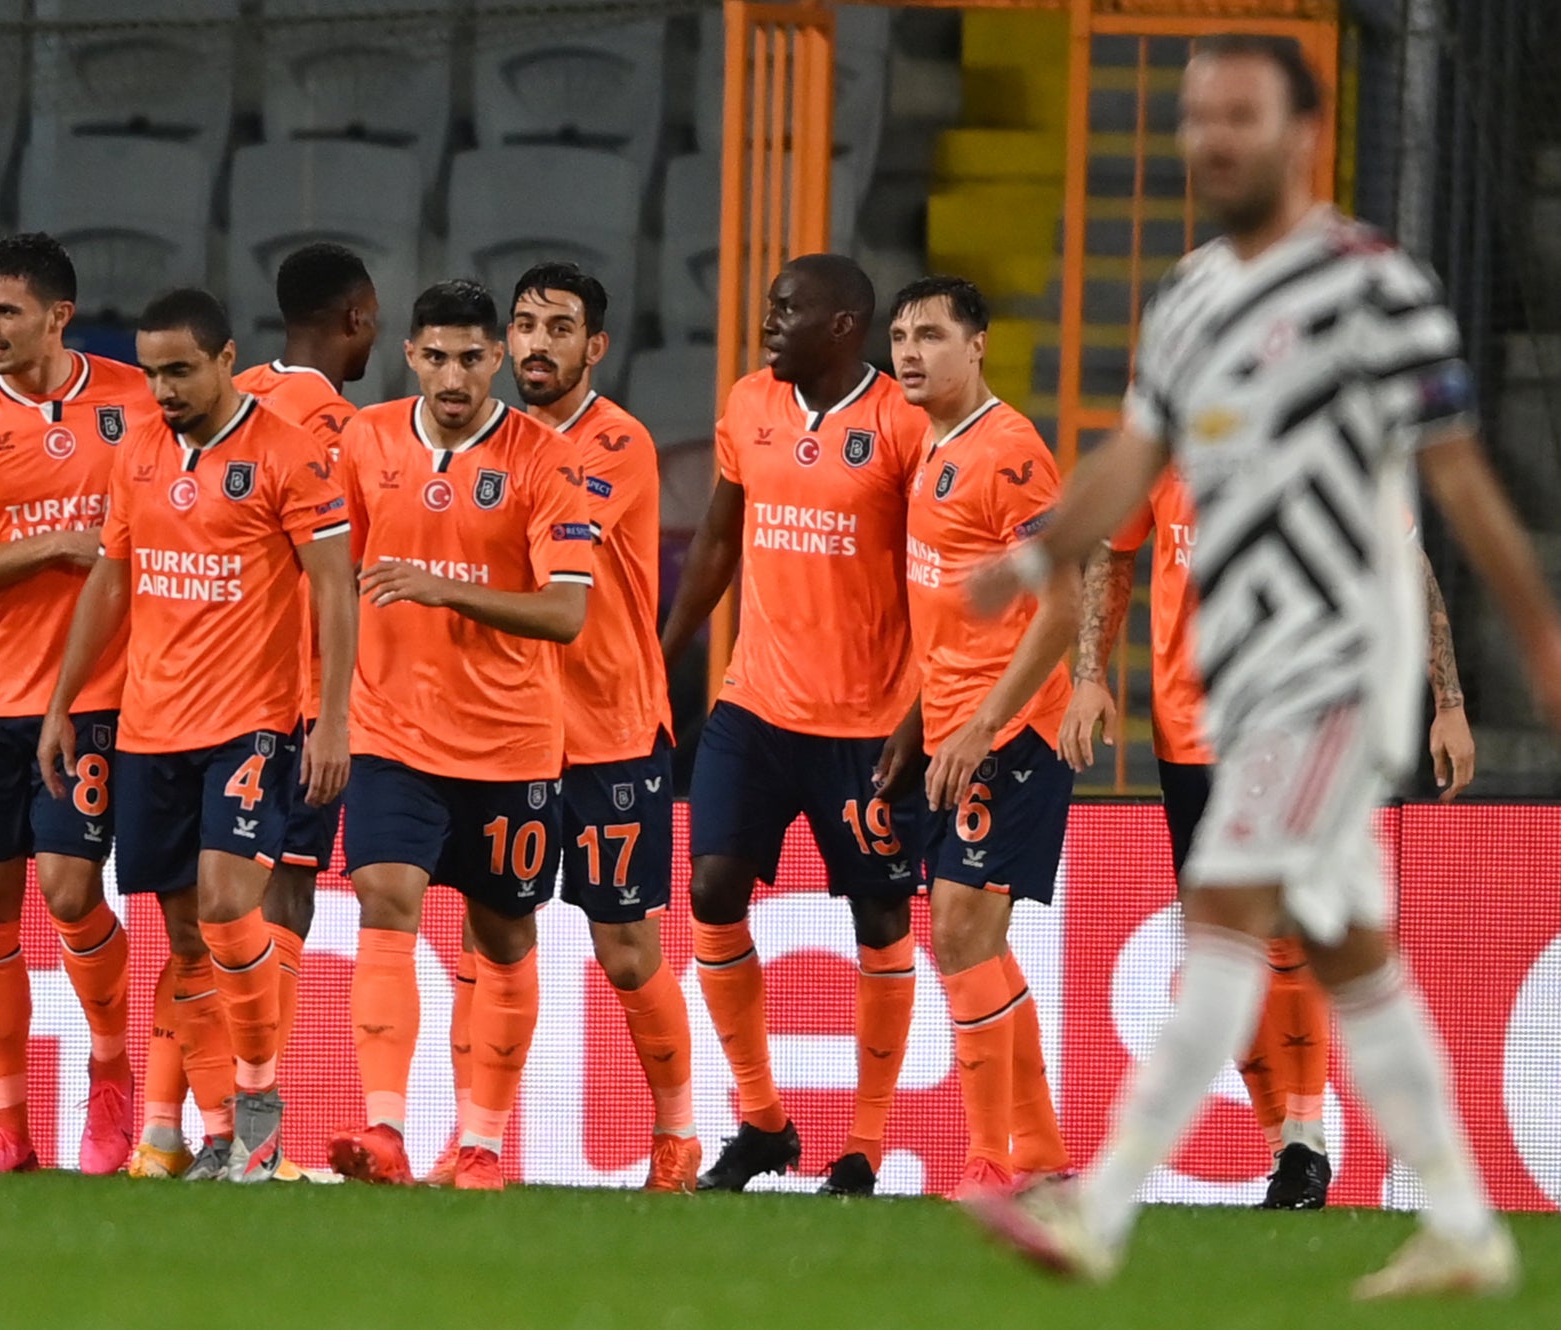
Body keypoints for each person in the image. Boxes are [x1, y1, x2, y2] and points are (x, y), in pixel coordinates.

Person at [962, 36, 1561, 1297]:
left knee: (1226, 919)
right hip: (1234, 674)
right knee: (1345, 946)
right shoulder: (1184, 297)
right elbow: (1131, 463)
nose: (1212, 140)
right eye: (1196, 118)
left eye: (1240, 115)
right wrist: (1038, 562)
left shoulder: (1374, 287)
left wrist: (1537, 633)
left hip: (1338, 664)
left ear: (1306, 132)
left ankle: (1098, 1213)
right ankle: (1462, 1224)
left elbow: (1453, 479)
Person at [1061, 469, 1478, 1209]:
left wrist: (1446, 700)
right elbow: (1111, 548)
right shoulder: (1166, 436)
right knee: (1224, 942)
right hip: (1186, 733)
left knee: (1288, 927)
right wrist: (1089, 675)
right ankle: (1286, 1152)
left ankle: (1304, 1138)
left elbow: (1401, 563)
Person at [38, 288, 355, 1184]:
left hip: (251, 725)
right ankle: (221, 1136)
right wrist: (64, 702)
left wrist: (330, 719)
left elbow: (334, 590)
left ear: (225, 360)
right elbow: (111, 580)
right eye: (150, 372)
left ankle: (258, 1099)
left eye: (179, 370)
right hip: (149, 728)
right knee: (183, 940)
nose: (163, 388)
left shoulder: (289, 456)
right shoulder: (137, 447)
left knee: (225, 905)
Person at [660, 254, 931, 1196]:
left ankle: (860, 1145)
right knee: (711, 889)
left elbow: (941, 578)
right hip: (754, 706)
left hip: (869, 719)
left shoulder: (903, 426)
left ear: (844, 325)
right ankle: (762, 1119)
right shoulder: (749, 405)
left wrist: (924, 706)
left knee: (881, 916)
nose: (768, 322)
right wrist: (665, 657)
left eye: (787, 310)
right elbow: (721, 540)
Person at [327, 280, 592, 1192]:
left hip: (509, 743)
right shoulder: (365, 441)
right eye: (435, 355)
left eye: (472, 358)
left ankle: (479, 1142)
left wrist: (443, 589)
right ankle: (386, 1129)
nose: (453, 375)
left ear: (499, 361)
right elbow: (338, 581)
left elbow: (565, 613)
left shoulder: (545, 462)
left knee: (503, 937)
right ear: (409, 354)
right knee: (385, 900)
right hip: (391, 730)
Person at [0, 233, 157, 1175]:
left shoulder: (135, 399)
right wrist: (56, 548)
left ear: (58, 315)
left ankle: (108, 1070)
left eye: (5, 312)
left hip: (92, 693)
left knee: (69, 888)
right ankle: (6, 1129)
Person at [888, 275, 1078, 1199]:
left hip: (1007, 733)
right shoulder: (930, 444)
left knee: (961, 929)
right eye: (899, 337)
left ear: (978, 345)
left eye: (930, 334)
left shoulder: (1008, 454)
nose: (910, 352)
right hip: (950, 729)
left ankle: (988, 1159)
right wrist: (918, 724)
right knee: (970, 939)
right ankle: (1036, 1153)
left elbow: (1061, 607)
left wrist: (981, 725)